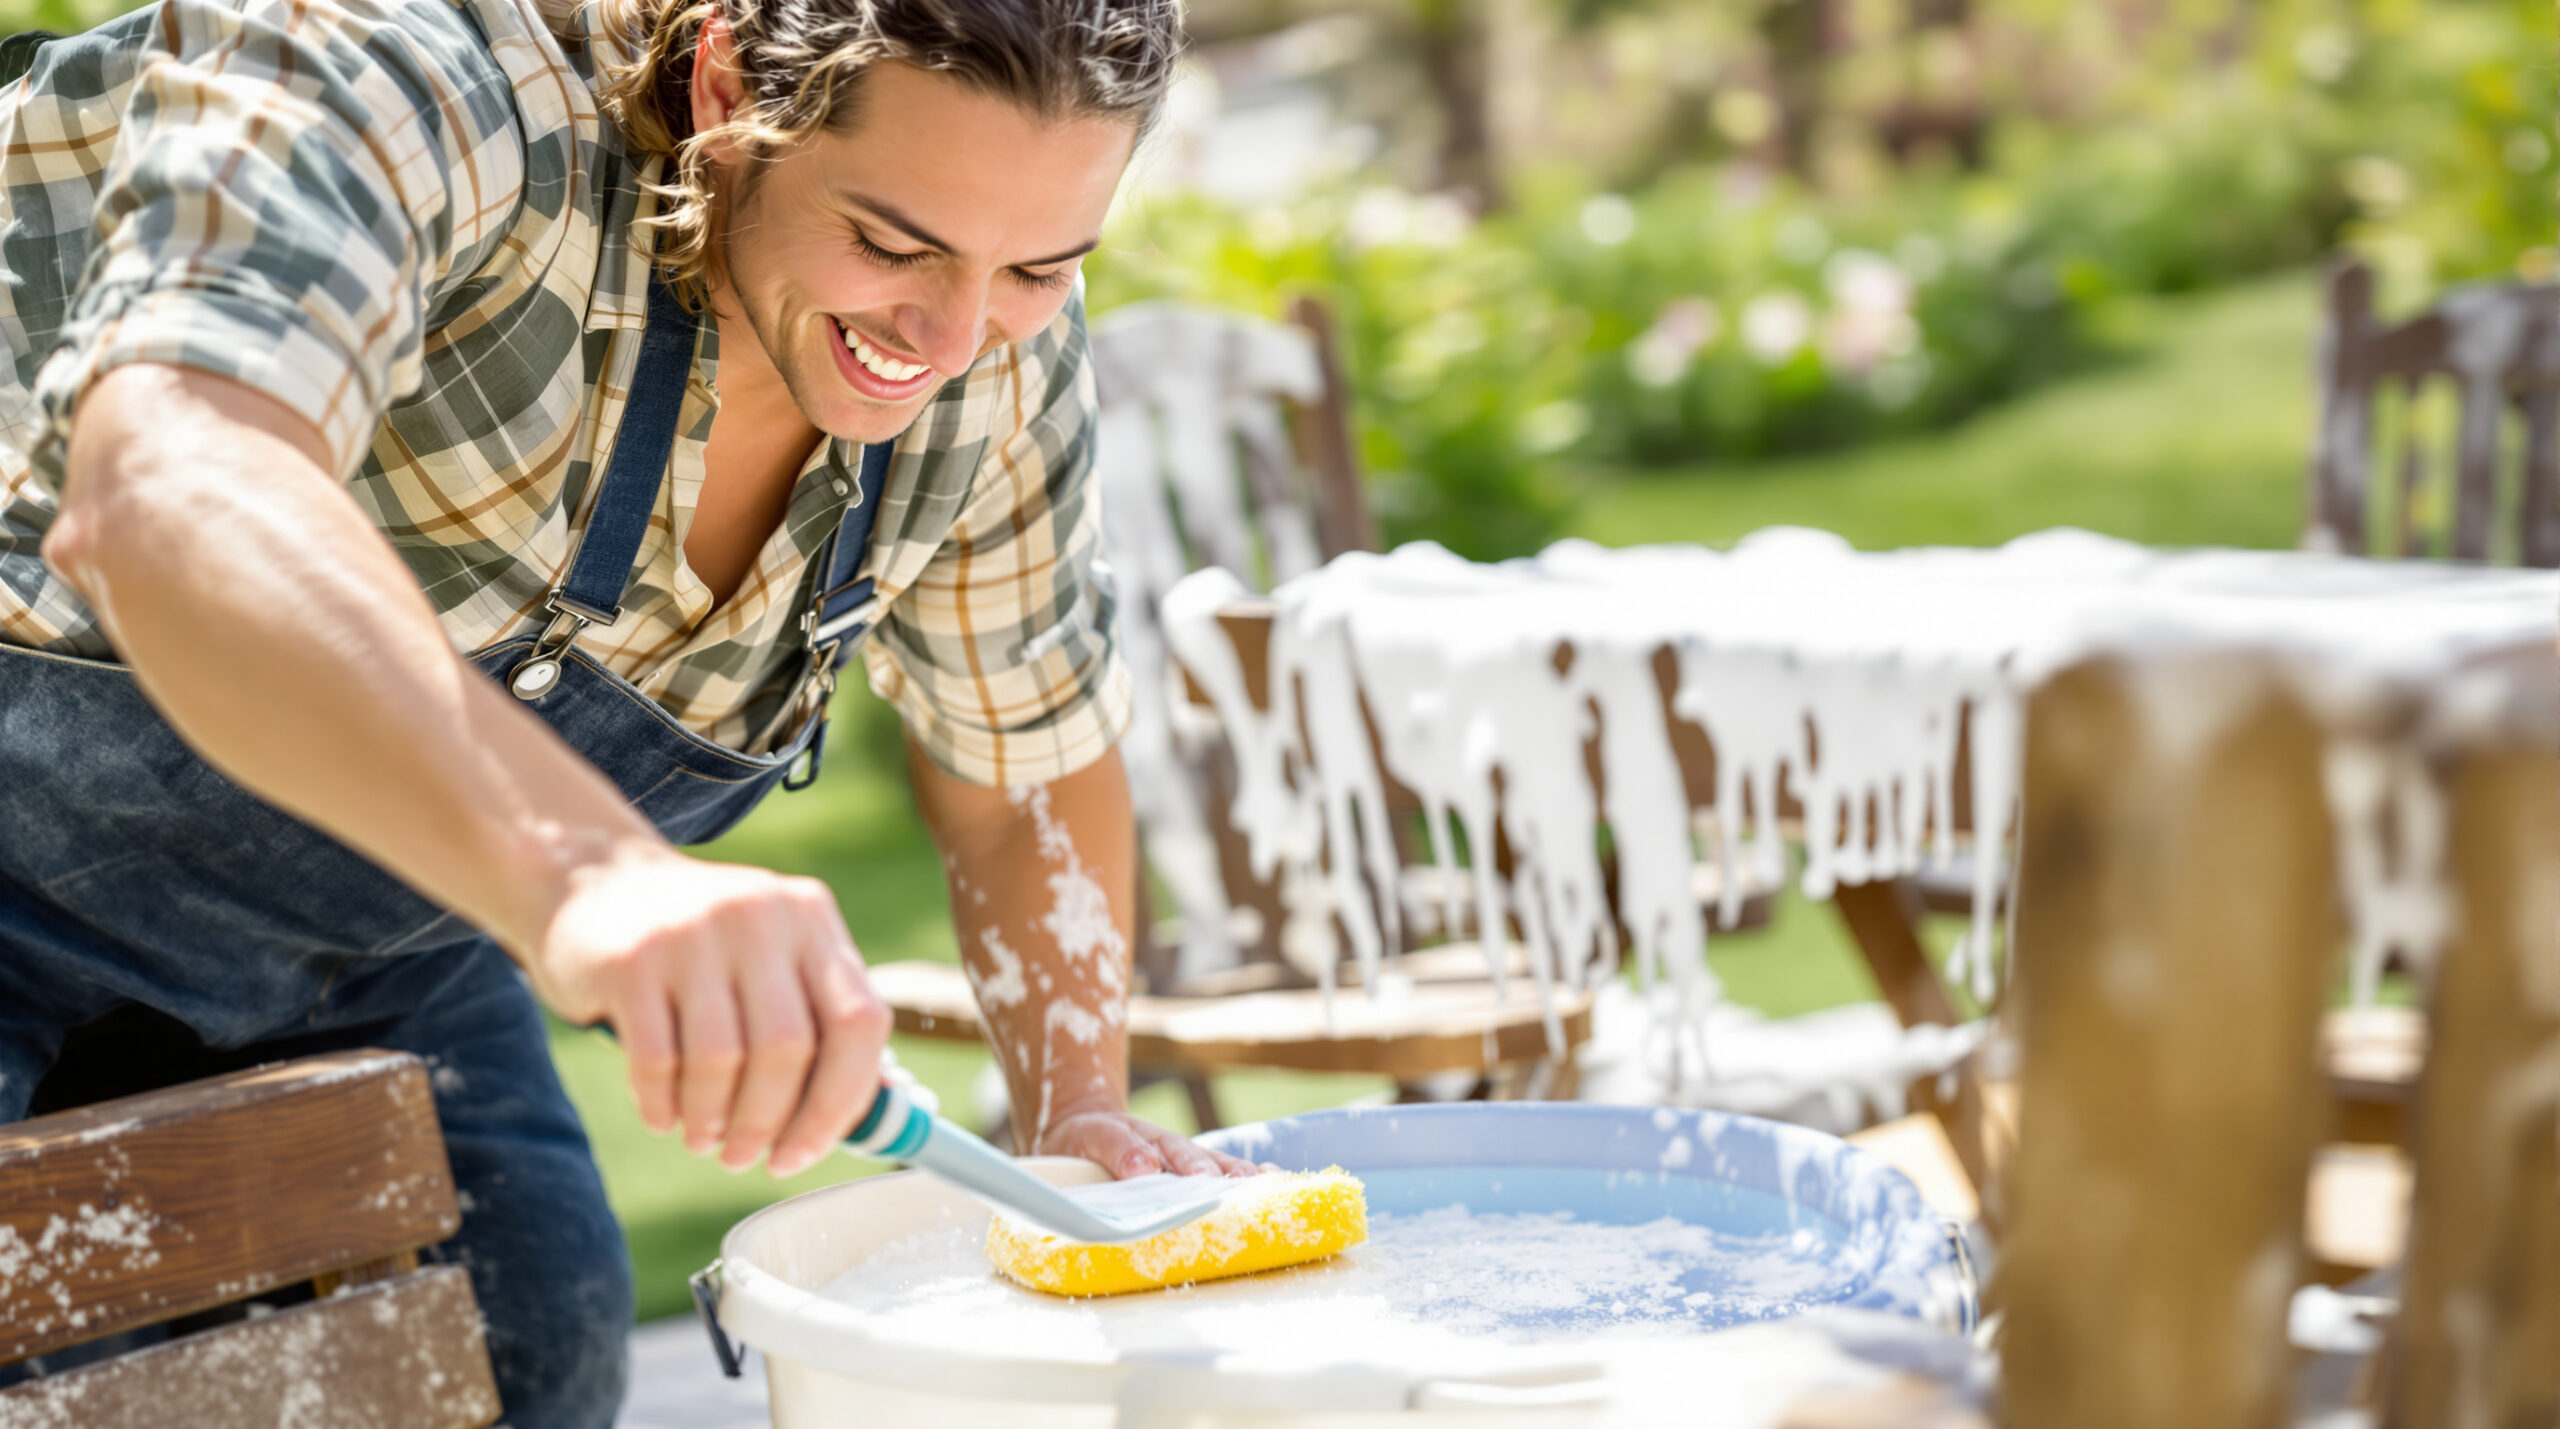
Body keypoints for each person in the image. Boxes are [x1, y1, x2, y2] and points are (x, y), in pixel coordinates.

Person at [0, 0, 1253, 1421]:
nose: (957, 333)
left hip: (377, 946)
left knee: (525, 1360)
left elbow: (1023, 762)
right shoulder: (403, 75)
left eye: (1040, 264)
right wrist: (589, 869)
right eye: (893, 245)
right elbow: (169, 490)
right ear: (726, 87)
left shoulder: (993, 355)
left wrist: (1077, 1105)